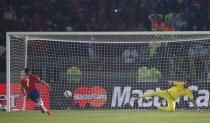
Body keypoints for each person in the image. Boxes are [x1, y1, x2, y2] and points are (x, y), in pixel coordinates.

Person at [134, 80, 200, 112]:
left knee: (172, 110)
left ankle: (156, 107)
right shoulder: (180, 84)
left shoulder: (188, 91)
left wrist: (197, 108)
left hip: (172, 99)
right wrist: (170, 82)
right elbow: (171, 82)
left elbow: (192, 100)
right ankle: (139, 96)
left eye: (187, 83)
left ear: (189, 85)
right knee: (154, 93)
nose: (186, 84)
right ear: (185, 82)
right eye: (185, 83)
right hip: (166, 93)